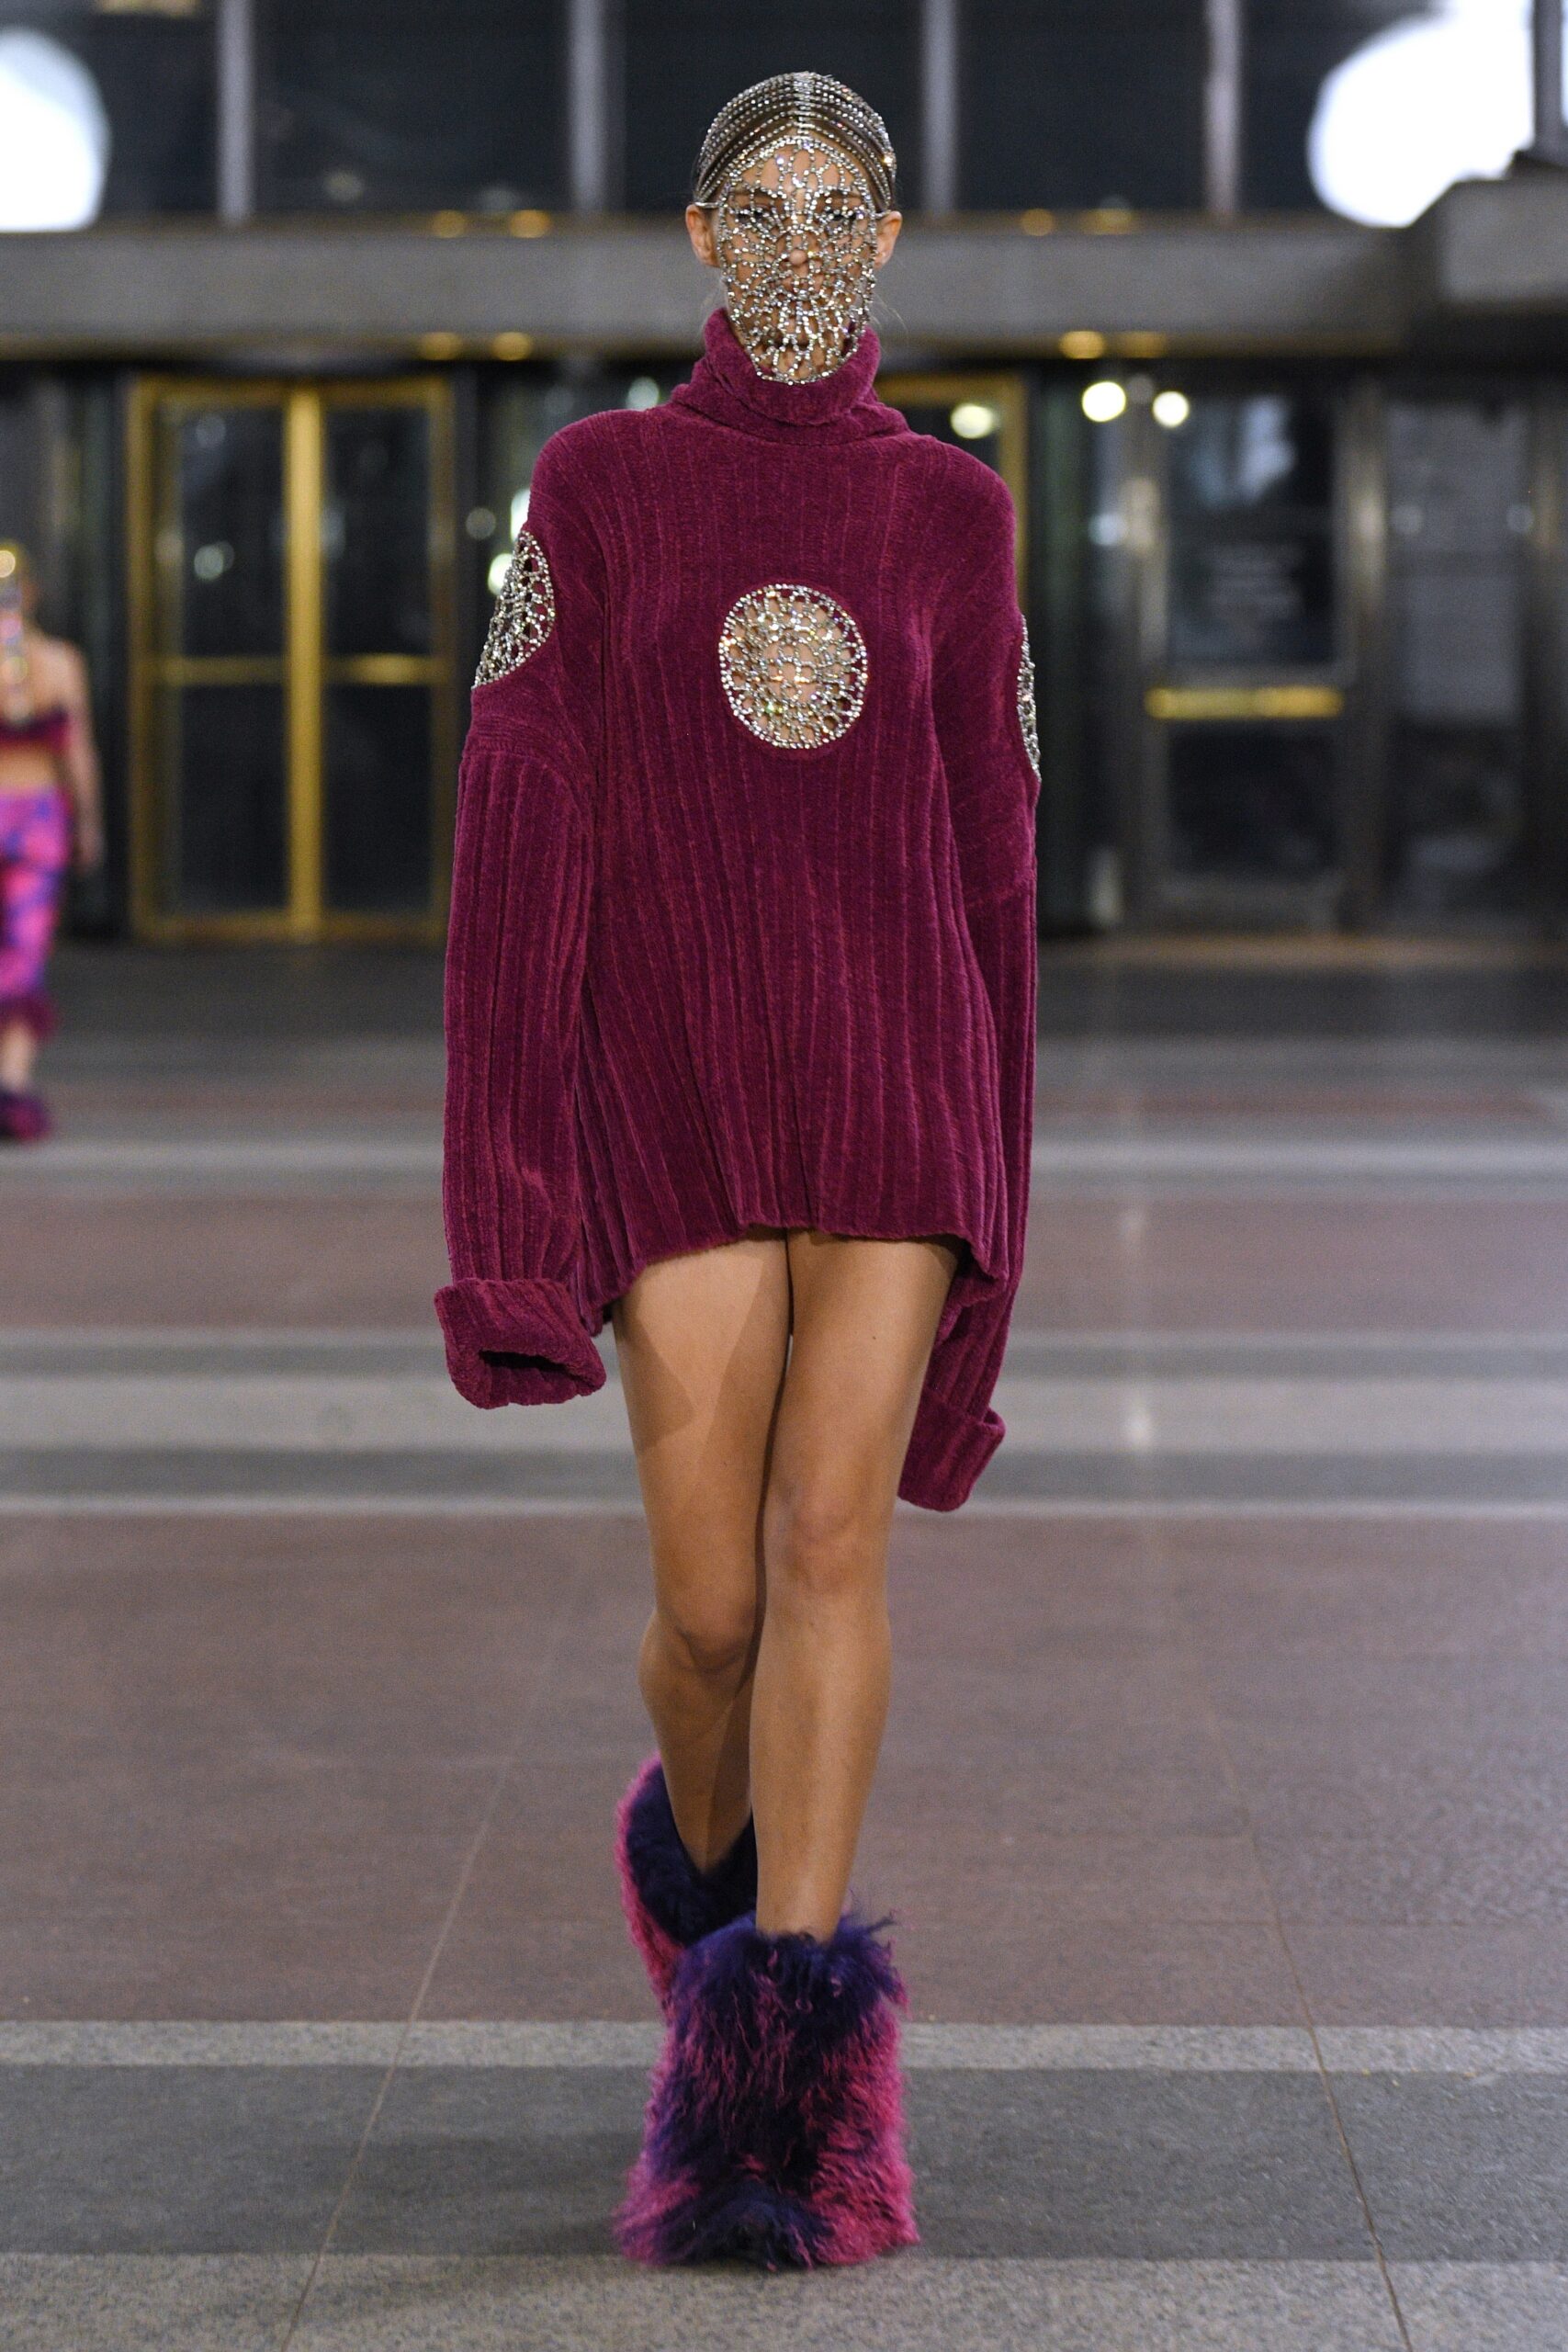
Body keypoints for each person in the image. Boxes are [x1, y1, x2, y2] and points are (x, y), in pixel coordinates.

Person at [435, 70, 1040, 2269]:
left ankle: (784, 2094)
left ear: (887, 243)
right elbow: (518, 847)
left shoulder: (956, 517)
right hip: (669, 1085)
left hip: (894, 1091)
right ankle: (704, 1888)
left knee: (825, 1547)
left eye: (841, 209)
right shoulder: (590, 492)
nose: (798, 244)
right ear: (698, 236)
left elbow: (996, 874)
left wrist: (1001, 1231)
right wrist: (501, 1224)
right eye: (758, 206)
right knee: (704, 1611)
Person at [0, 540, 102, 1141]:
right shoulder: (58, 662)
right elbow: (78, 753)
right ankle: (11, 1080)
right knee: (22, 952)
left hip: (32, 817)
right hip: (38, 818)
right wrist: (88, 821)